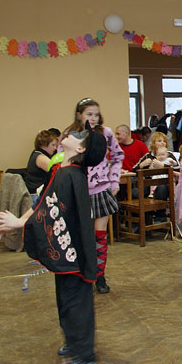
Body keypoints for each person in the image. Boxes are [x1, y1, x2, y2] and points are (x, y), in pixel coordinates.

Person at [0, 122, 107, 364]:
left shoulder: (70, 175)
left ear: (80, 148)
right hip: (69, 252)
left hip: (74, 254)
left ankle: (83, 356)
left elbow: (49, 210)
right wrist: (19, 222)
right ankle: (74, 344)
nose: (72, 133)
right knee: (66, 299)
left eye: (79, 135)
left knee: (75, 303)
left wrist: (20, 224)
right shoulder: (64, 171)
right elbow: (44, 202)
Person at [64, 97, 124, 295]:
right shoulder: (69, 135)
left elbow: (118, 156)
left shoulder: (105, 133)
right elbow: (62, 162)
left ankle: (100, 275)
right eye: (89, 114)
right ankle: (84, 274)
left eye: (96, 114)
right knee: (82, 237)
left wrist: (114, 181)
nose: (93, 118)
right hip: (79, 192)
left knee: (100, 237)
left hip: (101, 190)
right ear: (79, 115)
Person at [24, 129, 59, 203]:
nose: (55, 148)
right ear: (44, 144)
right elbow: (58, 173)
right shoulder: (41, 158)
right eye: (53, 145)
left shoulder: (36, 153)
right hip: (36, 196)